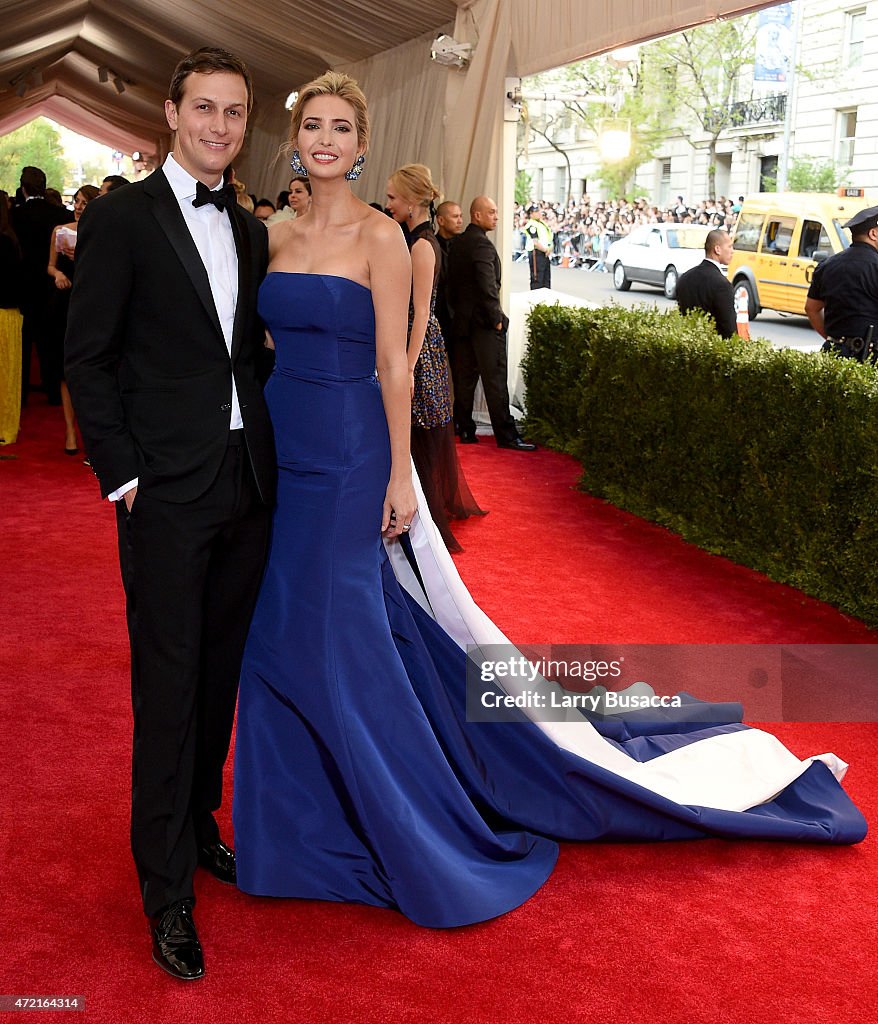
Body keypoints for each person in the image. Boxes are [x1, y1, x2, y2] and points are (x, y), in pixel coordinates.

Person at [232, 71, 866, 933]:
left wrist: (395, 474)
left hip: (347, 456)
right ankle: (297, 836)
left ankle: (405, 827)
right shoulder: (269, 233)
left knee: (338, 643)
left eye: (343, 126)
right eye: (314, 125)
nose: (327, 139)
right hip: (286, 447)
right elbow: (260, 344)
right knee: (277, 639)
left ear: (364, 142)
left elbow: (391, 362)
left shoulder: (384, 237)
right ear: (294, 136)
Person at [65, 46, 276, 982]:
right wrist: (123, 478)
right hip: (163, 494)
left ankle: (199, 828)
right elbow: (89, 359)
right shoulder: (121, 219)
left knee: (218, 675)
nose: (220, 127)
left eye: (234, 113)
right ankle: (166, 895)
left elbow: (246, 356)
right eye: (205, 109)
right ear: (171, 112)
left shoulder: (253, 225)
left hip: (245, 483)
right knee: (167, 686)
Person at [385, 163, 485, 552]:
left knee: (420, 437)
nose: (389, 203)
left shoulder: (422, 245)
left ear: (412, 201)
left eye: (393, 197)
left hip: (419, 351)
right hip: (413, 346)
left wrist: (407, 367)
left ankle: (423, 526)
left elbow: (423, 312)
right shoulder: (414, 239)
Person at [446, 196, 536, 449]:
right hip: (484, 325)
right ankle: (507, 436)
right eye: (493, 212)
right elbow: (488, 286)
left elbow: (450, 287)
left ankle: (464, 429)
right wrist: (496, 319)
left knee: (464, 380)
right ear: (478, 215)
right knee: (494, 380)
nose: (496, 217)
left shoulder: (458, 244)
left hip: (462, 324)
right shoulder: (481, 247)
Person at [11, 166, 73, 405]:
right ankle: (54, 390)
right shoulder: (60, 215)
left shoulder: (14, 215)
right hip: (53, 286)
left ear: (23, 187)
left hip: (23, 287)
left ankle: (21, 392)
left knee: (23, 343)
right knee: (52, 341)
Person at [46, 184, 100, 455]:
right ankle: (69, 431)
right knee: (65, 371)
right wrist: (56, 274)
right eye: (77, 202)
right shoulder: (59, 230)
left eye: (84, 202)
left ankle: (93, 435)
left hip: (92, 305)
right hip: (64, 303)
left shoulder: (101, 234)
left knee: (90, 370)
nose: (79, 206)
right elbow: (50, 264)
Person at [805, 205, 878, 360]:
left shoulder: (827, 265)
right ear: (873, 234)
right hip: (870, 359)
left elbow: (811, 308)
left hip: (833, 355)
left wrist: (833, 339)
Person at [675, 228, 737, 339]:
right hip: (712, 348)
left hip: (685, 344)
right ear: (717, 249)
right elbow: (728, 328)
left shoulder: (684, 278)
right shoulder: (722, 285)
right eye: (729, 246)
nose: (732, 251)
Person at [0, 190, 23, 444]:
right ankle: (6, 427)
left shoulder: (7, 241)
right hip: (9, 312)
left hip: (5, 313)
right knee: (7, 375)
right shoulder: (10, 240)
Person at [524, 204, 553, 289]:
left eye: (538, 211)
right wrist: (545, 250)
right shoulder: (531, 225)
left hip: (545, 252)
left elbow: (548, 237)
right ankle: (535, 300)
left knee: (546, 279)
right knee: (537, 279)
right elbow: (535, 242)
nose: (539, 213)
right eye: (536, 212)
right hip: (536, 253)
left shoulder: (542, 223)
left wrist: (549, 248)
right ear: (531, 214)